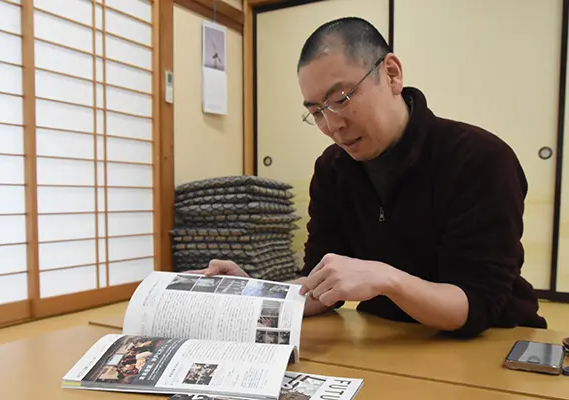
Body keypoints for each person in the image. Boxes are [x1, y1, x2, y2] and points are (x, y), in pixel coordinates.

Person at [187, 17, 547, 338]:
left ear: (391, 74)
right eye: (316, 112)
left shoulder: (479, 158)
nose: (332, 125)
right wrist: (253, 291)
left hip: (488, 342)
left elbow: (476, 304)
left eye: (342, 98)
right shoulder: (332, 169)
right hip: (385, 338)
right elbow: (319, 286)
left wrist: (386, 279)